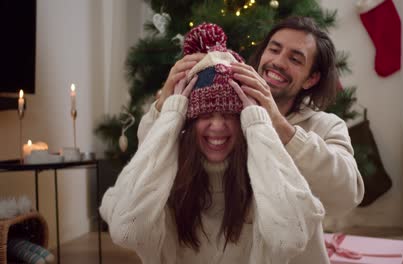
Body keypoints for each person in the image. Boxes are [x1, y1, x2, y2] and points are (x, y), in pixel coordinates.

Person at [101, 23, 329, 263]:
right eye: (206, 115)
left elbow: (290, 239)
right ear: (186, 122)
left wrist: (259, 123)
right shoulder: (163, 176)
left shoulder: (267, 174)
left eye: (230, 116)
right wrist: (170, 114)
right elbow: (127, 231)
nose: (218, 126)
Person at [138, 16, 364, 218]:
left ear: (311, 79)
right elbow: (146, 163)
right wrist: (164, 105)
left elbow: (346, 196)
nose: (278, 62)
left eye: (295, 59)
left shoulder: (326, 126)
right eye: (274, 50)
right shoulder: (218, 111)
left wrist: (279, 125)